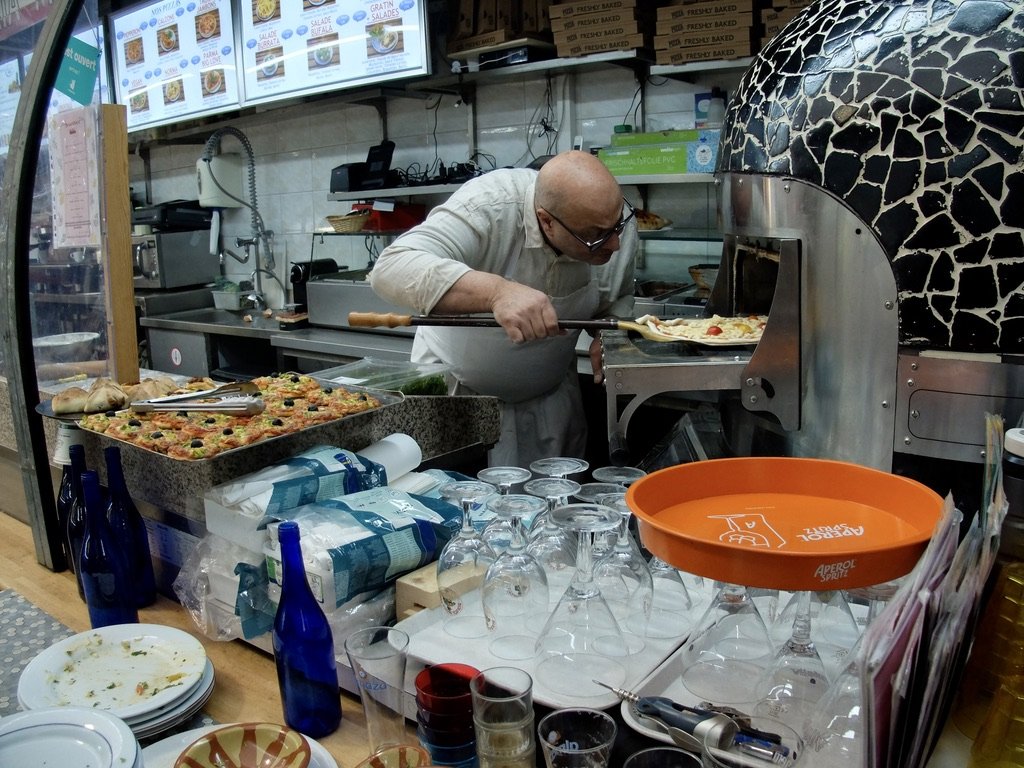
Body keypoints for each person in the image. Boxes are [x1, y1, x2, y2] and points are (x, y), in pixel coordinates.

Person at [368, 150, 637, 467]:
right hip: (459, 396)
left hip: (550, 403)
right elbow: (391, 268)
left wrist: (609, 338)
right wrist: (497, 292)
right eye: (594, 236)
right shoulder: (489, 205)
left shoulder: (611, 225)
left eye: (617, 226)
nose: (614, 245)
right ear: (546, 221)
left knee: (552, 509)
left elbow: (612, 308)